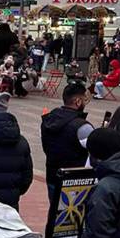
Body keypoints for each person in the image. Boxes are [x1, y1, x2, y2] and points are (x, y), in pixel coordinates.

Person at [41, 83, 94, 217]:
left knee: (56, 216)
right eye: (83, 100)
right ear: (77, 101)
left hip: (53, 175)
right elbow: (99, 149)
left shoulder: (49, 119)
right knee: (73, 220)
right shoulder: (81, 127)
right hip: (75, 181)